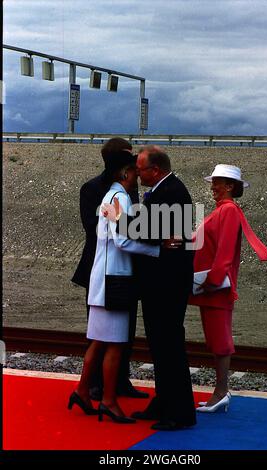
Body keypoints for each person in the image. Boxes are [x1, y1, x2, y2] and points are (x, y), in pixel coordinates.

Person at [104, 146, 196, 431]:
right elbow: (156, 232)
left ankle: (179, 412)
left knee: (168, 346)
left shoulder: (172, 192)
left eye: (140, 169)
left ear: (154, 170)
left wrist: (117, 218)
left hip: (167, 285)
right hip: (161, 284)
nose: (137, 174)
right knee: (160, 346)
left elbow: (148, 229)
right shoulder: (165, 190)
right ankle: (164, 402)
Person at [68, 151, 161, 423]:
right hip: (116, 281)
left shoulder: (108, 196)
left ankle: (82, 391)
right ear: (123, 172)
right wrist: (155, 249)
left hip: (102, 279)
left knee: (97, 342)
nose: (136, 176)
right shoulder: (121, 198)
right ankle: (108, 401)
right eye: (133, 170)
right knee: (116, 344)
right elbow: (123, 241)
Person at [189, 164, 267, 412]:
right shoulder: (222, 211)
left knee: (220, 340)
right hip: (210, 286)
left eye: (217, 182)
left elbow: (225, 252)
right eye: (213, 182)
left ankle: (221, 392)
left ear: (229, 186)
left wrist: (213, 280)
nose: (213, 187)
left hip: (215, 287)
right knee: (216, 339)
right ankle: (220, 392)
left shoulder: (228, 211)